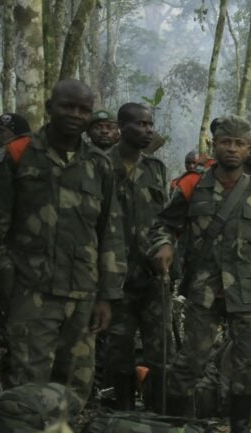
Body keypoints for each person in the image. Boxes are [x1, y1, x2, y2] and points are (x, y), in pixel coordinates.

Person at [149, 115, 251, 433]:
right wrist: (165, 244)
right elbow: (163, 224)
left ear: (249, 147)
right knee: (191, 359)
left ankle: (241, 430)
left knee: (248, 359)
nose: (233, 149)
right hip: (204, 288)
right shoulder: (193, 185)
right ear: (215, 145)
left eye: (240, 143)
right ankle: (181, 432)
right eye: (227, 143)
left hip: (247, 290)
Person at [0, 79, 126, 402]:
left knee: (75, 386)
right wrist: (6, 284)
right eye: (67, 106)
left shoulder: (99, 164)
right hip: (30, 292)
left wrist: (106, 296)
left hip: (83, 295)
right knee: (27, 385)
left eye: (84, 110)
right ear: (50, 107)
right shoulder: (16, 155)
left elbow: (110, 232)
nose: (75, 115)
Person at [101, 102, 172, 411]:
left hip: (153, 276)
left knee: (160, 348)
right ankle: (124, 411)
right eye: (141, 124)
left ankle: (157, 412)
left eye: (150, 124)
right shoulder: (99, 165)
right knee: (119, 348)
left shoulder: (155, 169)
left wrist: (166, 246)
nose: (148, 130)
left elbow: (166, 220)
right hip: (114, 279)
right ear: (121, 128)